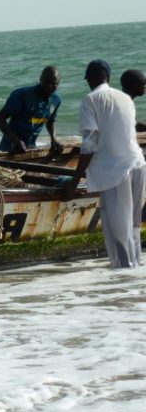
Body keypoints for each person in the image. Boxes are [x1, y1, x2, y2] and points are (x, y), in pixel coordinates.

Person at [64, 60, 146, 269]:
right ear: (107, 76)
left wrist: (75, 180)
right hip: (138, 165)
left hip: (115, 172)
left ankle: (123, 286)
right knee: (134, 228)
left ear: (92, 78)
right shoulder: (125, 98)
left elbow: (89, 144)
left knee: (119, 232)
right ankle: (136, 282)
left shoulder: (91, 100)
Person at [0, 66, 62, 153]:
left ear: (58, 83)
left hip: (31, 147)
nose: (49, 86)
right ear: (40, 79)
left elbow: (50, 121)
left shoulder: (56, 100)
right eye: (46, 82)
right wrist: (14, 140)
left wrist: (54, 139)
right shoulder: (21, 95)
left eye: (53, 83)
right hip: (10, 148)